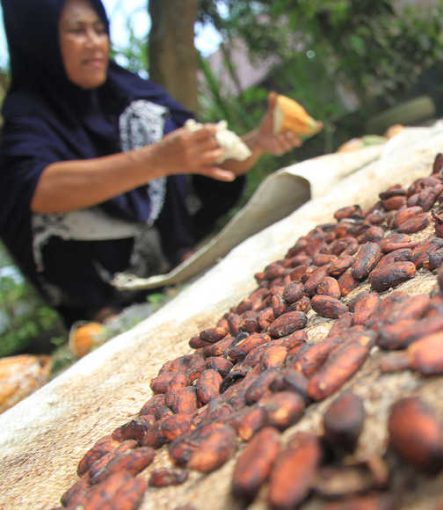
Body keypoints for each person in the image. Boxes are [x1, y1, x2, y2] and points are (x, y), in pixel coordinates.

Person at [0, 0, 302, 325]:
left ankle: (180, 259)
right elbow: (38, 189)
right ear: (39, 38)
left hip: (183, 272)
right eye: (77, 31)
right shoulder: (27, 117)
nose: (95, 42)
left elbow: (210, 163)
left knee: (150, 120)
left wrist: (257, 142)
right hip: (113, 308)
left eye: (100, 30)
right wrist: (156, 160)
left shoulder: (131, 94)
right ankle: (102, 309)